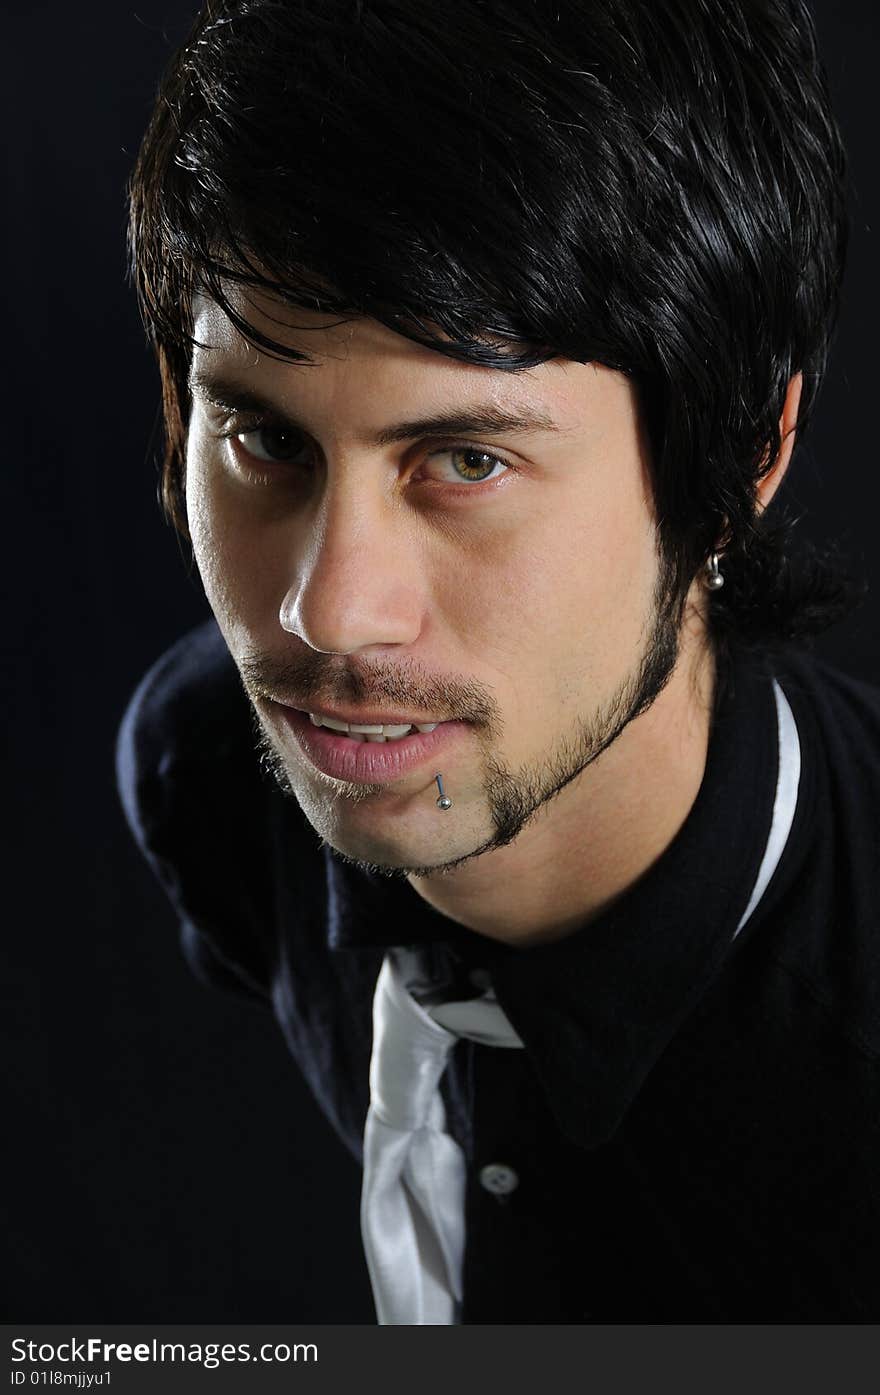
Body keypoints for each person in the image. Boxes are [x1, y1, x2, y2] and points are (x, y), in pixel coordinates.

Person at [116, 0, 879, 1322]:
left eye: (467, 460)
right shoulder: (212, 771)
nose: (329, 618)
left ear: (741, 459)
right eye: (267, 442)